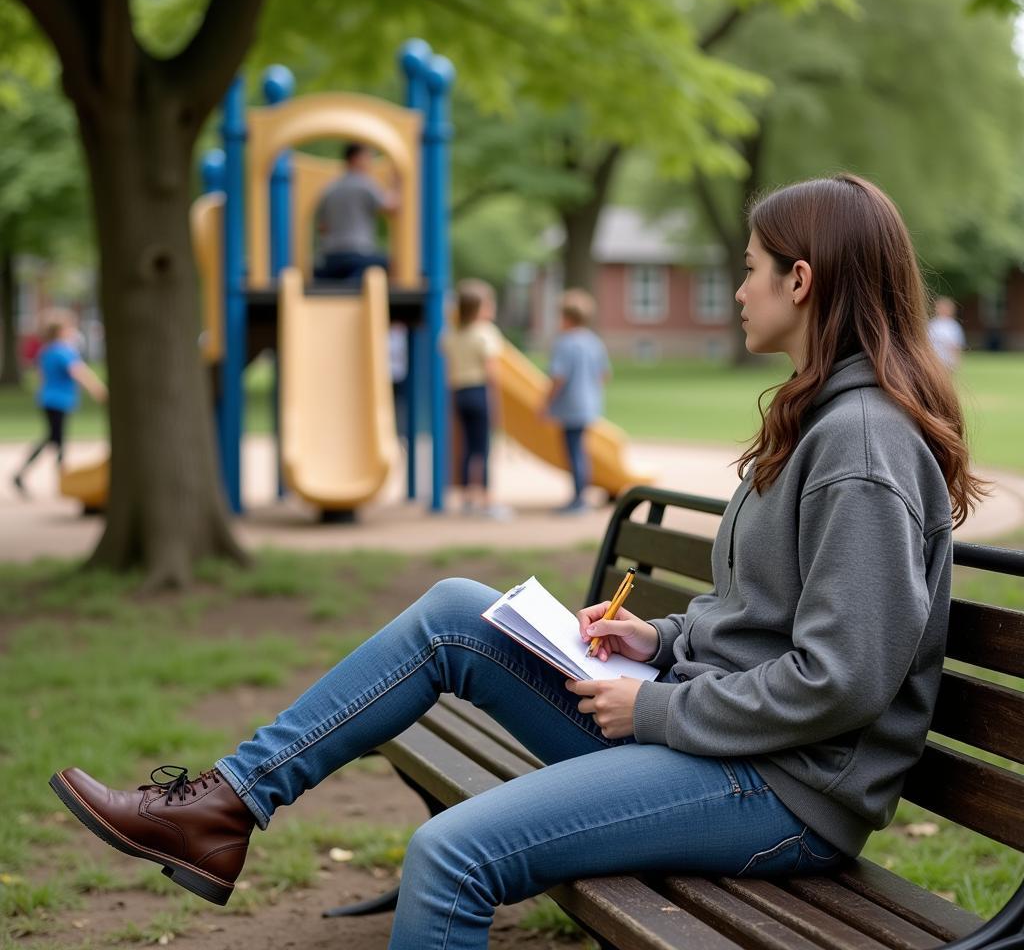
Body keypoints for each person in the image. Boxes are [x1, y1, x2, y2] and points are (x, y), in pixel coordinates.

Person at [50, 174, 984, 950]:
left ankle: (218, 814)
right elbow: (761, 611)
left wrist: (658, 703)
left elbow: (845, 679)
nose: (738, 289)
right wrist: (654, 638)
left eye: (747, 271)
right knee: (460, 610)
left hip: (782, 792)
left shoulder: (862, 444)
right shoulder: (818, 413)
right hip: (724, 743)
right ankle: (223, 807)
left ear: (803, 280)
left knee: (451, 855)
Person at [12, 310, 107, 497]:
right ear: (61, 331)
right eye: (69, 328)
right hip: (59, 400)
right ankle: (50, 478)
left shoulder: (46, 351)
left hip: (47, 398)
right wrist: (98, 390)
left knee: (55, 438)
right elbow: (79, 372)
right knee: (57, 439)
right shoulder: (64, 351)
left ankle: (39, 476)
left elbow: (41, 375)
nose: (72, 331)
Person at [440, 279, 511, 519]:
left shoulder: (452, 334)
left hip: (459, 393)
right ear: (479, 308)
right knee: (484, 448)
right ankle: (488, 500)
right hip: (479, 391)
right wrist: (496, 404)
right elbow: (491, 372)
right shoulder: (485, 333)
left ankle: (467, 498)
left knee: (467, 448)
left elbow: (449, 369)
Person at [543, 289, 610, 513]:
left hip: (570, 407)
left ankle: (578, 499)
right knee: (580, 451)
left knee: (573, 453)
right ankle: (581, 496)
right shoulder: (594, 342)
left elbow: (558, 377)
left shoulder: (565, 343)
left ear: (567, 318)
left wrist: (545, 402)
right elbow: (604, 375)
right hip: (589, 405)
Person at [314, 142, 399, 283]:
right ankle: (354, 282)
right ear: (355, 159)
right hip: (358, 255)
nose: (370, 162)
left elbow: (322, 227)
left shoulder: (330, 188)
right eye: (368, 157)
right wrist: (397, 184)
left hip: (330, 257)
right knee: (392, 264)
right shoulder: (364, 184)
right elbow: (392, 207)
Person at [927, 296, 966, 371]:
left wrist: (956, 360)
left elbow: (956, 345)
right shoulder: (933, 324)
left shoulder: (953, 326)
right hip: (935, 359)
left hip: (948, 360)